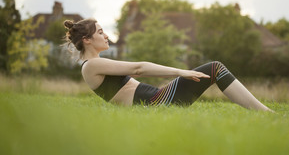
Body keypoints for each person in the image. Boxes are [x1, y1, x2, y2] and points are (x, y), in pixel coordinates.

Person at [63, 18, 273, 111]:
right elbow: (139, 68)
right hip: (157, 102)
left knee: (215, 69)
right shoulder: (91, 66)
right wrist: (181, 72)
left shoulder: (95, 64)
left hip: (157, 99)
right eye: (100, 32)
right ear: (87, 40)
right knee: (215, 68)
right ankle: (265, 114)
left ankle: (263, 112)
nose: (106, 35)